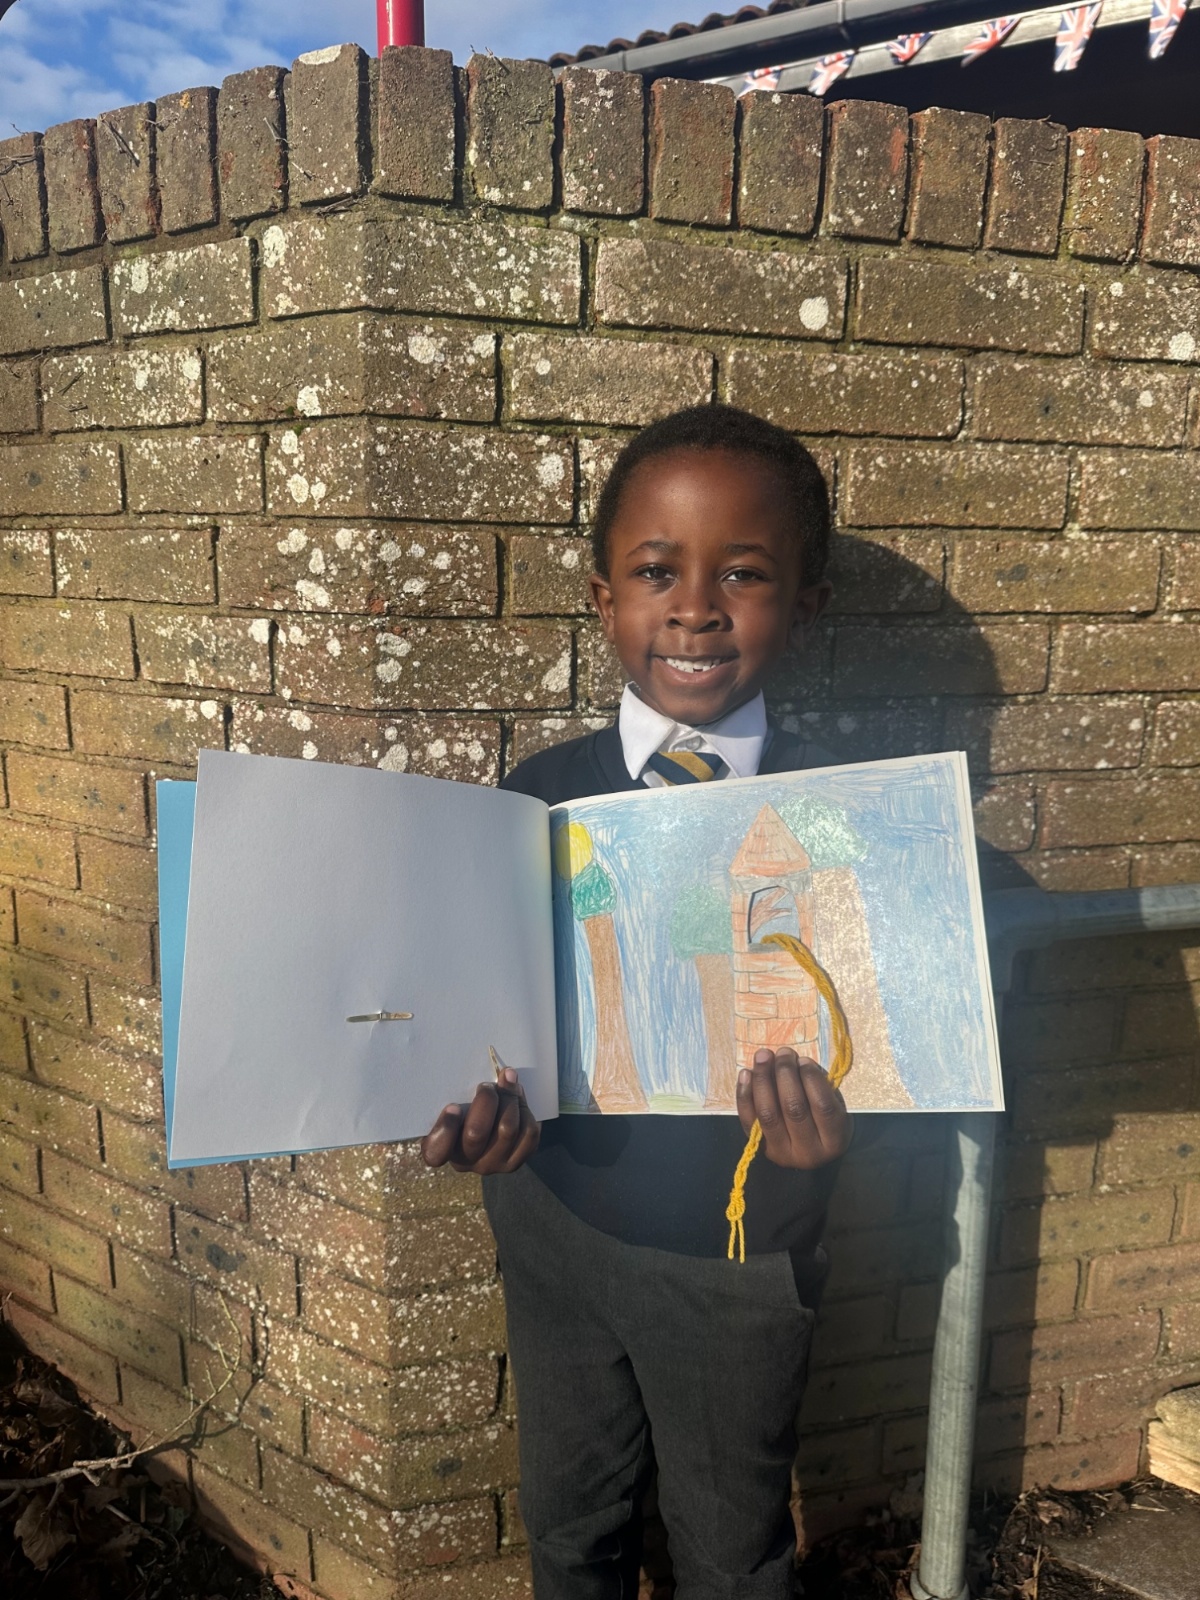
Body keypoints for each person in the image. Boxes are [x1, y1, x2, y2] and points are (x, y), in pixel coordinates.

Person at [422, 404, 855, 1599]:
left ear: (805, 603)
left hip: (736, 1255)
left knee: (732, 1556)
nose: (697, 608)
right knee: (571, 1528)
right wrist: (486, 1110)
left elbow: (887, 1035)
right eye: (659, 571)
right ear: (605, 597)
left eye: (744, 574)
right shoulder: (535, 798)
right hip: (552, 1225)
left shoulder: (846, 821)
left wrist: (836, 1133)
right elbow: (492, 1018)